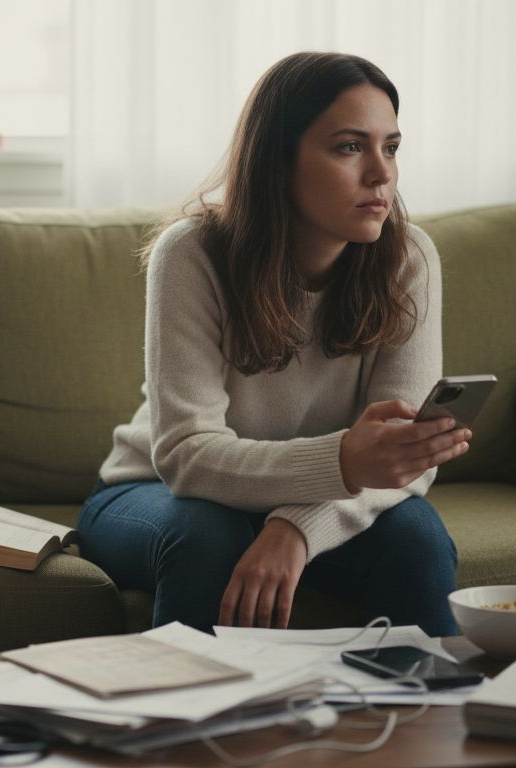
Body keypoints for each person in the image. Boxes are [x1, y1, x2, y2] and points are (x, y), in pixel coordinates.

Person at [78, 51, 469, 636]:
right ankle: (192, 721)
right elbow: (187, 455)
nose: (381, 174)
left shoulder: (409, 259)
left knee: (418, 536)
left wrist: (297, 528)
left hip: (323, 504)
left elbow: (400, 463)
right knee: (209, 535)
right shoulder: (192, 253)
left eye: (390, 147)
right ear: (278, 160)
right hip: (154, 492)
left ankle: (422, 717)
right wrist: (342, 461)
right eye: (348, 147)